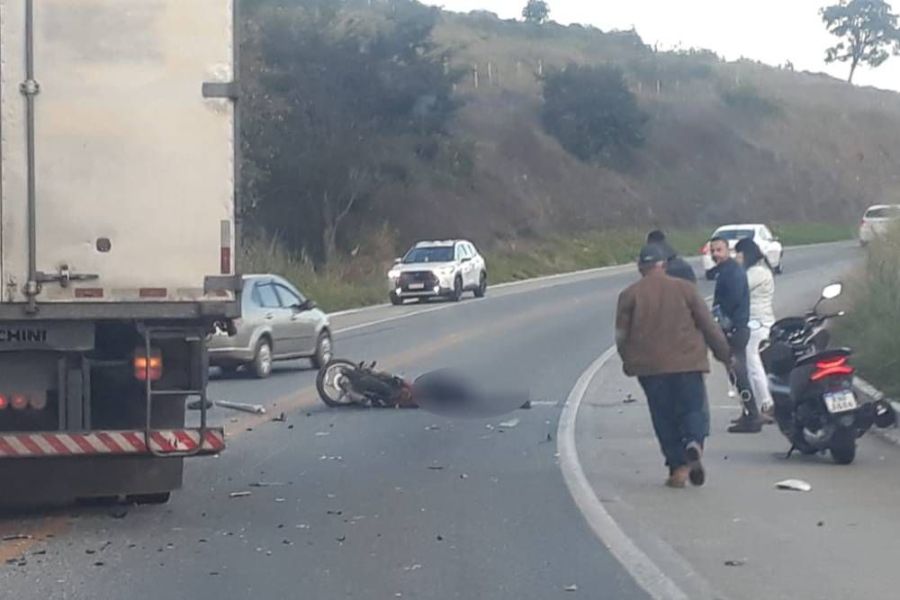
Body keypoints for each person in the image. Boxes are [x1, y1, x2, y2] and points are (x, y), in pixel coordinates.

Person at [616, 244, 732, 488]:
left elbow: (621, 336)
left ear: (640, 267)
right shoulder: (685, 289)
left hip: (650, 368)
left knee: (663, 416)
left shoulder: (629, 295)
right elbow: (708, 325)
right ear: (664, 265)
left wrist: (628, 361)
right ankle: (693, 443)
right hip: (688, 363)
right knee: (693, 409)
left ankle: (677, 468)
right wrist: (724, 354)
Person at [708, 236, 762, 433]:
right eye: (712, 251)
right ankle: (748, 413)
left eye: (719, 250)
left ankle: (752, 416)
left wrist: (722, 323)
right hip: (733, 328)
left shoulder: (732, 272)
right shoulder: (726, 271)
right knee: (736, 375)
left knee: (739, 375)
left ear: (728, 250)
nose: (715, 254)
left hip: (736, 329)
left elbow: (731, 302)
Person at [734, 237, 776, 421]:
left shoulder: (756, 273)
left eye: (738, 254)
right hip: (760, 321)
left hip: (756, 323)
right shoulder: (761, 270)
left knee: (753, 364)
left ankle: (767, 403)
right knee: (754, 364)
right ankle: (758, 404)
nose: (736, 257)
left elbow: (737, 288)